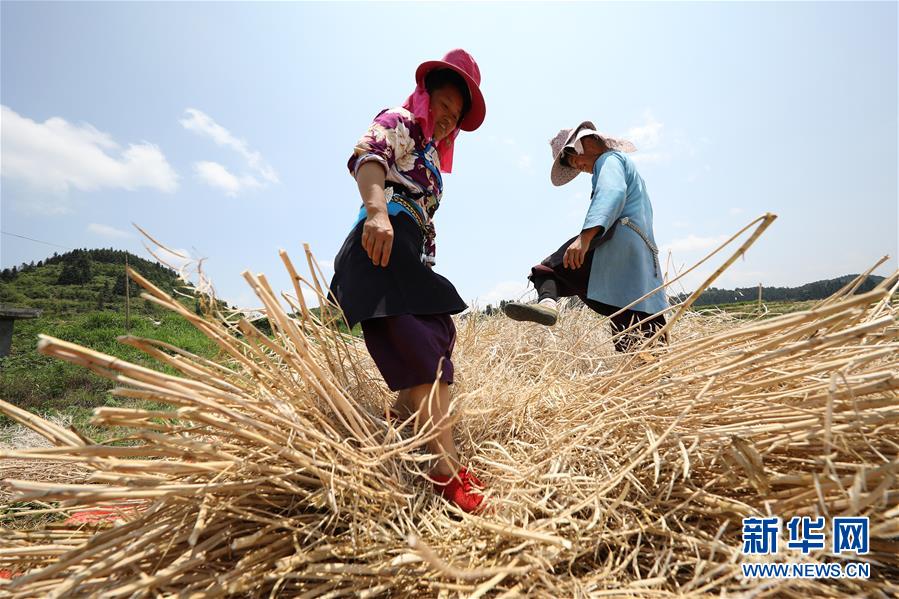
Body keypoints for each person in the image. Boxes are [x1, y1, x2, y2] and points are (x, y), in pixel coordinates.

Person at [329, 49, 486, 512]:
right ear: (424, 97)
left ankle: (399, 421)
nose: (446, 119)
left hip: (409, 252)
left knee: (437, 335)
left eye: (455, 116)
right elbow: (368, 158)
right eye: (442, 106)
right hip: (381, 245)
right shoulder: (399, 121)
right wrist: (376, 212)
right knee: (419, 345)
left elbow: (425, 217)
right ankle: (445, 471)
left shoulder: (434, 159)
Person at [503, 122, 669, 353]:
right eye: (575, 166)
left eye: (576, 161)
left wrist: (585, 236)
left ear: (586, 142)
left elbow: (612, 193)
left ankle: (548, 303)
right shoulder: (630, 170)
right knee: (639, 326)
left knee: (548, 269)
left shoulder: (608, 160)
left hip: (616, 242)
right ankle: (657, 379)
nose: (581, 167)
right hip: (643, 260)